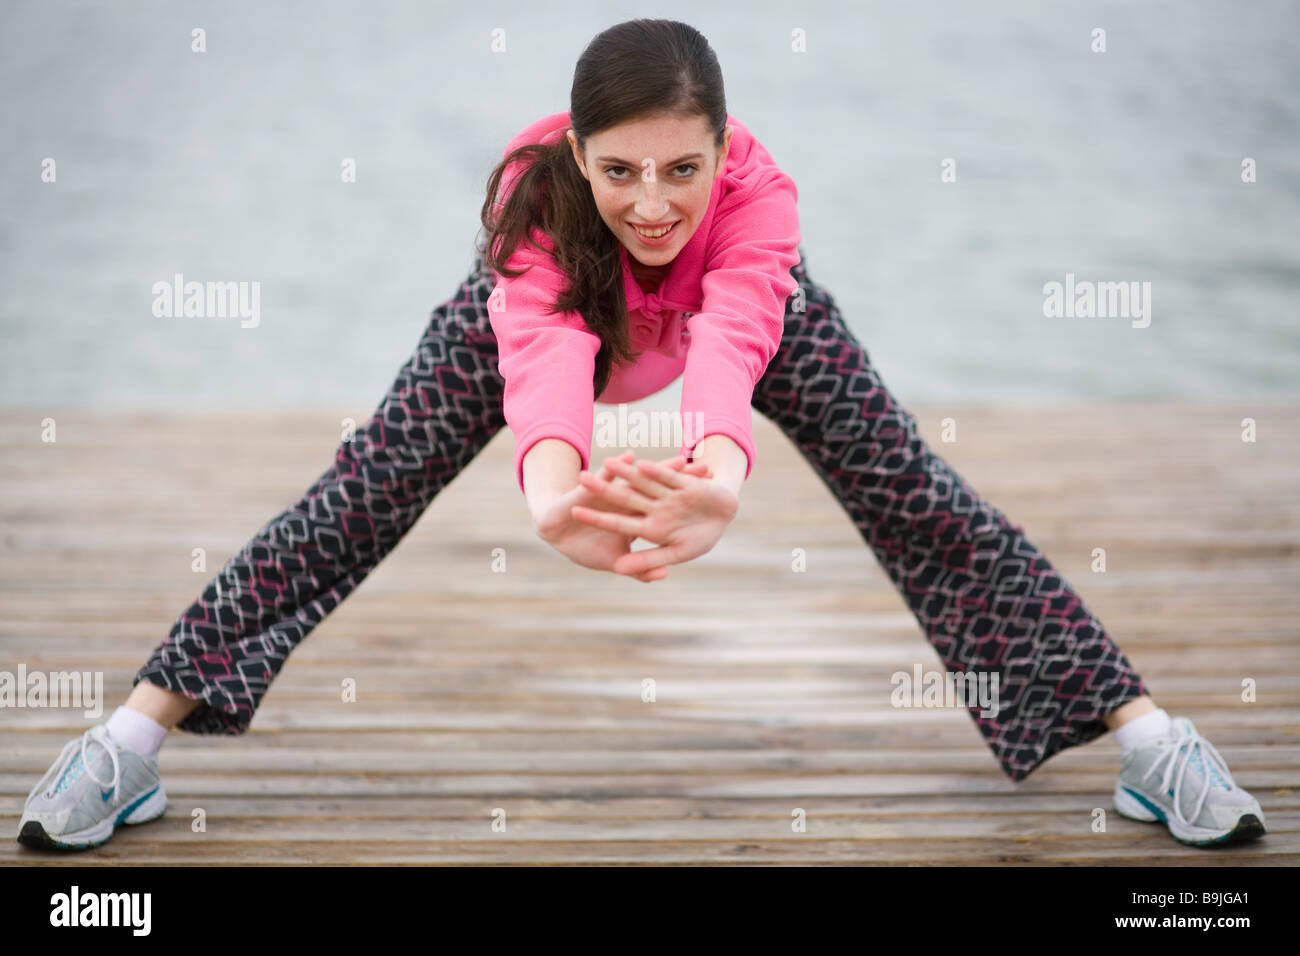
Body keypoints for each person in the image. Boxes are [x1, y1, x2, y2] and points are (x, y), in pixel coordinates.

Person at [17, 18, 1265, 853]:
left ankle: (1147, 741)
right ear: (576, 152)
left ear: (723, 153)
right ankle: (131, 742)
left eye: (682, 169)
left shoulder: (757, 208)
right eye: (621, 171)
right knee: (354, 496)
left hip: (738, 323)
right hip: (541, 320)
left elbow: (730, 347)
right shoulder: (536, 204)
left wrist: (716, 474)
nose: (652, 203)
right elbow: (548, 358)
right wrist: (551, 492)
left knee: (923, 497)